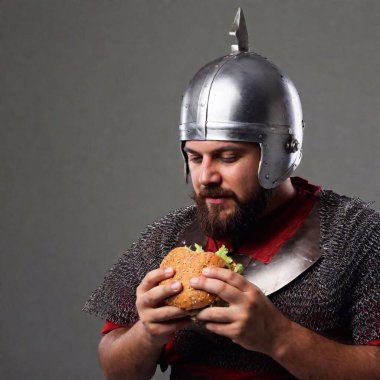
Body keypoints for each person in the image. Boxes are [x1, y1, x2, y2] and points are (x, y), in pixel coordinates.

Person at [84, 8, 380, 380]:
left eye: (227, 156)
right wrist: (147, 333)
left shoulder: (356, 236)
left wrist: (279, 337)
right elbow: (117, 370)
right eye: (195, 157)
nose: (205, 176)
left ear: (277, 152)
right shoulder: (166, 241)